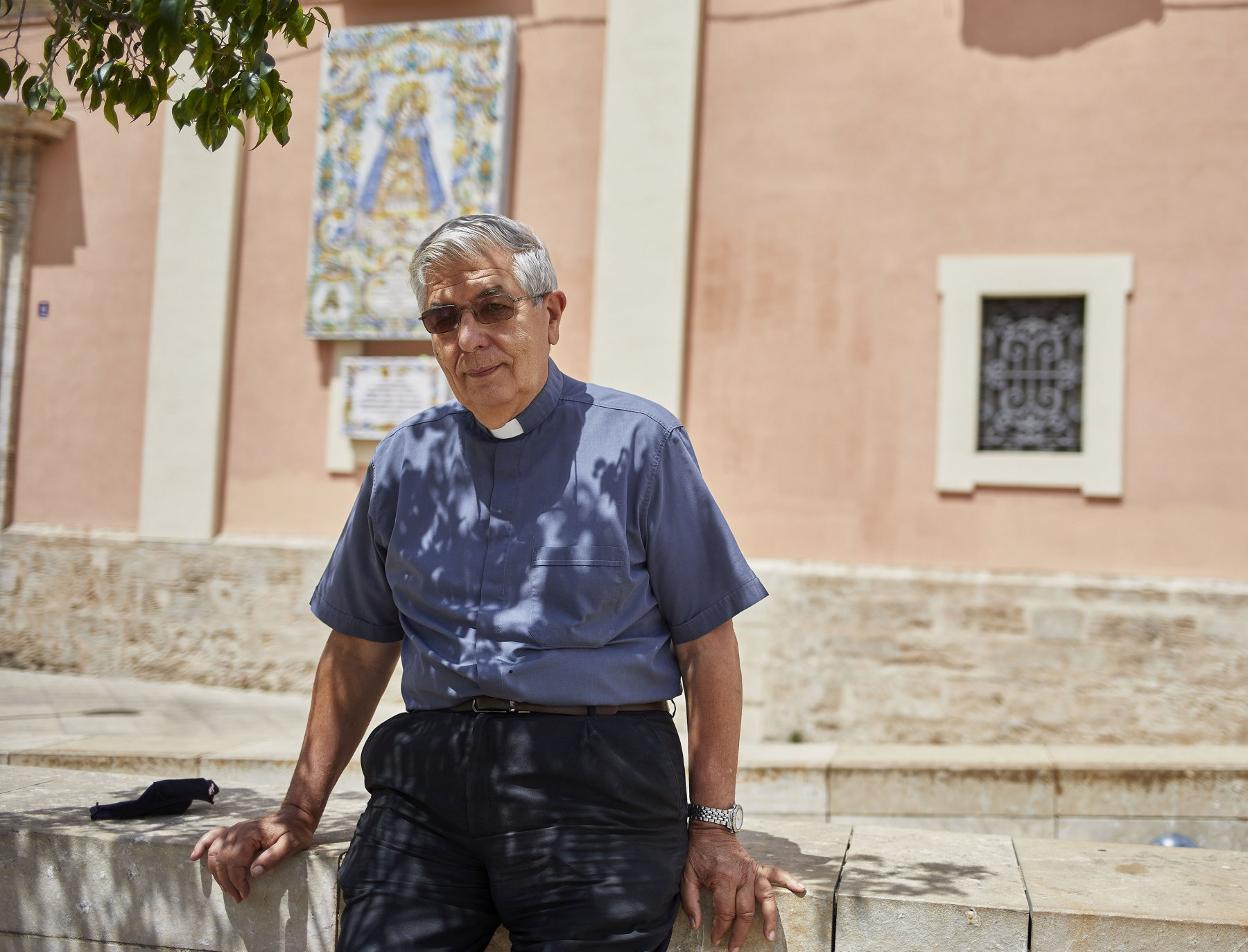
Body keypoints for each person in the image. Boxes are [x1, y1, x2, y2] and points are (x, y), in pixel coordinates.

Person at [191, 214, 805, 951]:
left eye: (493, 307)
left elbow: (707, 646)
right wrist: (297, 809)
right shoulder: (404, 462)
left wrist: (714, 829)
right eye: (444, 318)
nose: (469, 338)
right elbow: (357, 647)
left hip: (598, 791)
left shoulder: (641, 445)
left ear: (550, 315)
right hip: (429, 790)